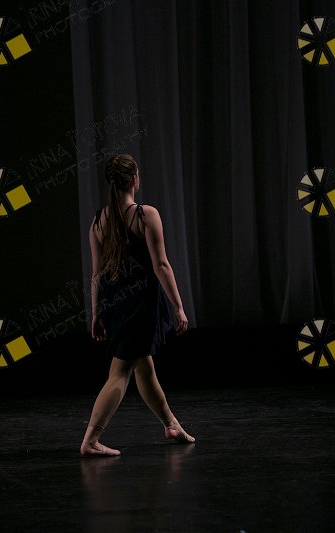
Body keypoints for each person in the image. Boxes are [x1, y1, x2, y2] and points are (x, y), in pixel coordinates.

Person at [80, 153, 196, 457]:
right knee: (120, 371)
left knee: (144, 366)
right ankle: (91, 439)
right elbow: (161, 265)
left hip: (113, 304)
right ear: (134, 179)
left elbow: (96, 274)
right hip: (138, 304)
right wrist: (179, 307)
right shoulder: (145, 215)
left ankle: (171, 424)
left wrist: (97, 313)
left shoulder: (97, 222)